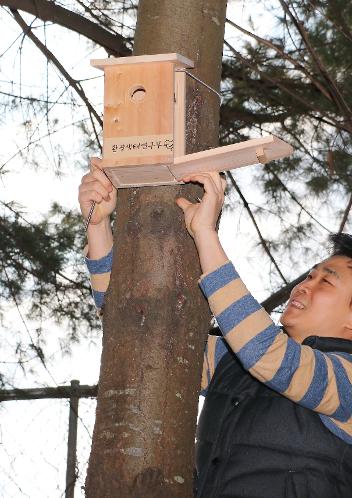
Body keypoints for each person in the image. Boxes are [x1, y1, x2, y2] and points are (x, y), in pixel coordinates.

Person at [79, 162, 352, 498]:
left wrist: (206, 235)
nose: (304, 286)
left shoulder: (347, 383)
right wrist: (98, 227)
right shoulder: (232, 363)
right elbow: (136, 334)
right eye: (309, 275)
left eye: (326, 281)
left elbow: (268, 355)